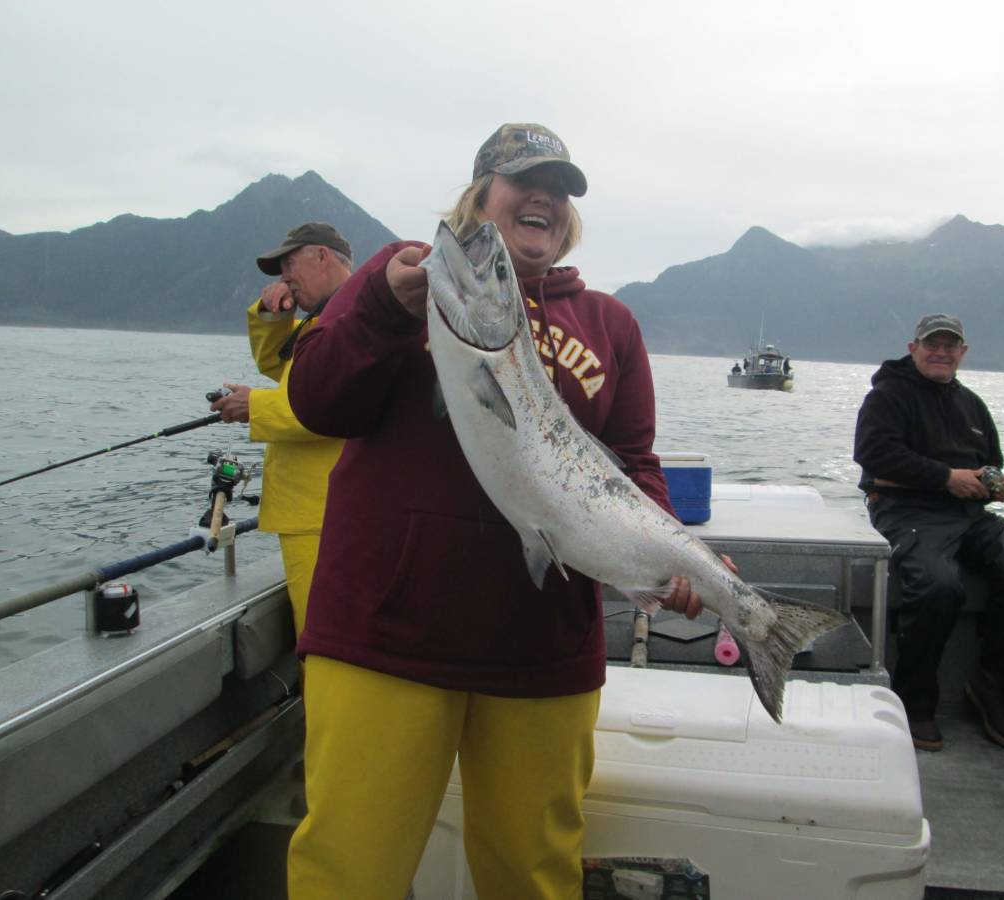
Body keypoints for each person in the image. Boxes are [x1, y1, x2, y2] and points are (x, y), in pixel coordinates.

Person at [283, 123, 705, 900]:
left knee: (533, 877)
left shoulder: (610, 323)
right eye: (523, 180)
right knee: (348, 871)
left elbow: (634, 466)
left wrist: (668, 560)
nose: (545, 196)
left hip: (542, 648)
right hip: (386, 636)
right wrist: (384, 304)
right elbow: (314, 400)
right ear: (481, 196)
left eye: (562, 189)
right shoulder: (400, 277)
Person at [853, 313, 1004, 752]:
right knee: (940, 584)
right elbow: (872, 453)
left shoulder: (972, 404)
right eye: (932, 344)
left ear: (963, 352)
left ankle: (991, 684)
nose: (941, 352)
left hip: (969, 515)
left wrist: (997, 486)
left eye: (950, 345)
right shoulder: (888, 395)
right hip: (907, 511)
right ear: (913, 348)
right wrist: (946, 477)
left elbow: (988, 461)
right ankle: (914, 701)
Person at [210, 222, 353, 640]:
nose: (283, 277)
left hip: (325, 515)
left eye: (290, 264)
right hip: (313, 513)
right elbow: (281, 365)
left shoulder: (350, 317)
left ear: (322, 256)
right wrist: (275, 317)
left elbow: (335, 404)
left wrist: (252, 405)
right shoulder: (323, 320)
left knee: (323, 639)